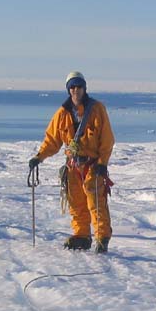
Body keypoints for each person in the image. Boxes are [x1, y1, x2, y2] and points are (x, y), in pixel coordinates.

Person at [28, 71, 115, 253]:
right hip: (73, 166)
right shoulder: (62, 114)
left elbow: (106, 139)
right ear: (69, 90)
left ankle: (102, 237)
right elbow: (52, 140)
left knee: (96, 203)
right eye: (73, 87)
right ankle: (82, 236)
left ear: (84, 88)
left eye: (79, 86)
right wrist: (39, 157)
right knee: (76, 203)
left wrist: (102, 163)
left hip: (92, 166)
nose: (76, 90)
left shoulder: (97, 109)